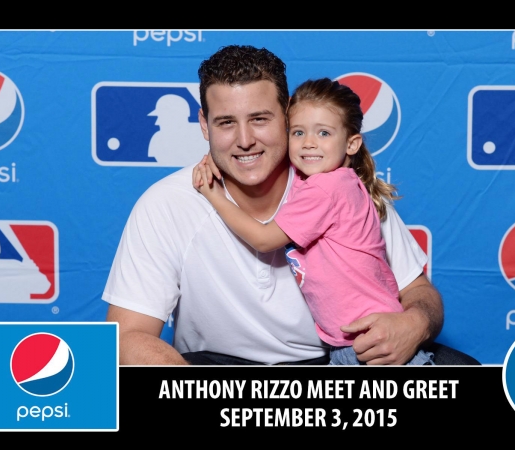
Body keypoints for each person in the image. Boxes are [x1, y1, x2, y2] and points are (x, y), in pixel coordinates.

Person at [103, 44, 480, 365]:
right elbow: (125, 338)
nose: (245, 140)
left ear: (287, 117)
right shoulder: (167, 202)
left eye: (260, 119)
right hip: (217, 367)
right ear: (204, 124)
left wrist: (413, 325)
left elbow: (420, 294)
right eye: (226, 123)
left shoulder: (340, 186)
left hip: (331, 358)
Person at [192, 77, 434, 366]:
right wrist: (217, 158)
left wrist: (213, 194)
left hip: (371, 346)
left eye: (323, 133)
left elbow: (263, 239)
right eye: (297, 132)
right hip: (345, 346)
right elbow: (260, 162)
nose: (308, 143)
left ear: (352, 143)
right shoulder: (320, 181)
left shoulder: (327, 189)